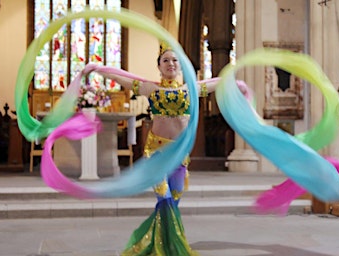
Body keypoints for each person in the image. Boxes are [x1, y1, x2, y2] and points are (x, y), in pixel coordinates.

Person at [83, 42, 241, 256]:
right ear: (159, 66)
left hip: (179, 155)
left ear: (181, 65)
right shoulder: (151, 88)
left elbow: (216, 83)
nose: (170, 64)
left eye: (175, 60)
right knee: (164, 201)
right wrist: (98, 69)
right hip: (156, 154)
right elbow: (123, 80)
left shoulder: (190, 89)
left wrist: (236, 81)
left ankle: (161, 244)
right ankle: (171, 248)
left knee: (173, 205)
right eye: (165, 60)